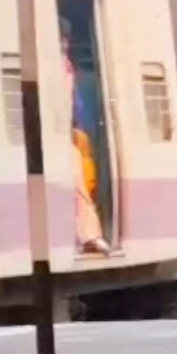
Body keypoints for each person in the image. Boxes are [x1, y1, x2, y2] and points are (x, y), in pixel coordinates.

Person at [61, 19, 111, 255]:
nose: (63, 44)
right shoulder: (56, 66)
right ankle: (86, 235)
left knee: (78, 181)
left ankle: (90, 235)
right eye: (60, 39)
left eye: (65, 40)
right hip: (54, 133)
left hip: (64, 133)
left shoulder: (67, 66)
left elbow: (74, 104)